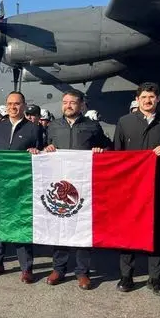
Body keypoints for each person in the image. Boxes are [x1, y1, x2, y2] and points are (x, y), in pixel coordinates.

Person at [113, 82, 160, 296]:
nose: (147, 101)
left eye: (152, 97)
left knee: (158, 234)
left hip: (159, 188)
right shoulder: (124, 122)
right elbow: (117, 154)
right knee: (128, 232)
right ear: (137, 100)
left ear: (158, 99)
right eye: (144, 97)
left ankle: (155, 279)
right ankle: (126, 276)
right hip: (131, 189)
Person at [44, 89, 111, 290]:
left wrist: (102, 150)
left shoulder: (92, 126)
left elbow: (108, 147)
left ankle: (82, 272)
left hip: (82, 186)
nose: (68, 105)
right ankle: (59, 268)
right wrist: (46, 149)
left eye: (73, 102)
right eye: (65, 102)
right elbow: (43, 149)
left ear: (81, 105)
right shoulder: (53, 126)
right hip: (59, 183)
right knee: (60, 227)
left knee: (82, 229)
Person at [0, 91, 44, 283]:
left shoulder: (34, 129)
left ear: (23, 106)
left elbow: (43, 153)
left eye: (17, 104)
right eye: (10, 104)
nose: (13, 107)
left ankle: (26, 268)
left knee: (21, 225)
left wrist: (36, 152)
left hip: (21, 187)